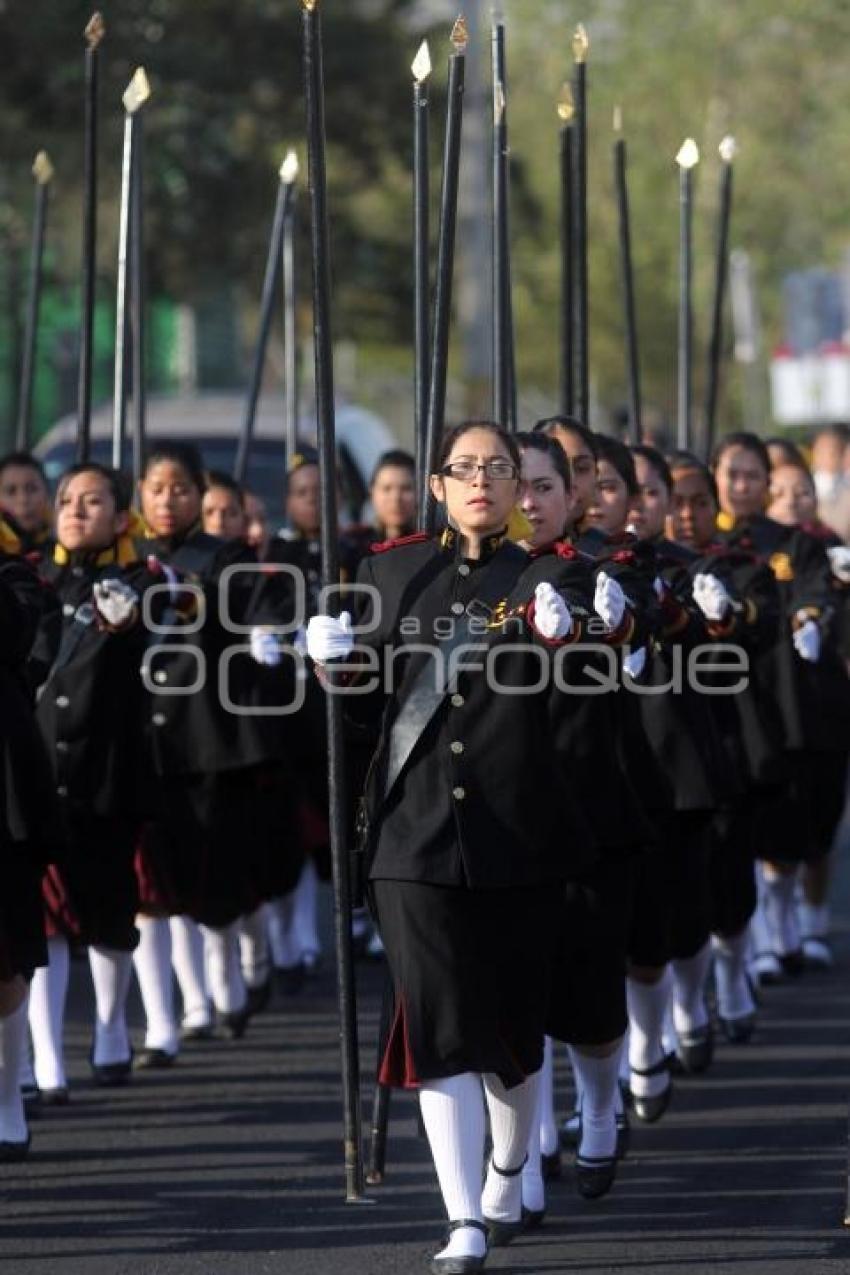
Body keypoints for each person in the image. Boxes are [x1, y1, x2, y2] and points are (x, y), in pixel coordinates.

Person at [308, 421, 596, 1274]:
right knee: (437, 1017)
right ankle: (462, 1213)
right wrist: (336, 674)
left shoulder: (555, 575)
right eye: (464, 468)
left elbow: (584, 689)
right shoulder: (392, 570)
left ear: (520, 490)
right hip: (413, 833)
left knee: (512, 1030)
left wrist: (577, 636)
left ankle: (510, 1164)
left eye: (499, 469)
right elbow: (370, 719)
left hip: (520, 834)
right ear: (438, 485)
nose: (481, 481)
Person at [27, 464, 163, 1098]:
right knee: (45, 919)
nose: (76, 511)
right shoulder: (32, 581)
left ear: (120, 516)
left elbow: (170, 637)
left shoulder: (143, 581)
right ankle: (47, 1057)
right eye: (66, 500)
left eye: (93, 501)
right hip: (41, 770)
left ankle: (111, 1027)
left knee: (108, 908)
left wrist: (132, 623)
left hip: (108, 770)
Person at [711, 433, 850, 983]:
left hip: (802, 704)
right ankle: (769, 934)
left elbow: (815, 592)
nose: (742, 485)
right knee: (755, 829)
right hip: (738, 703)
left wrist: (812, 616)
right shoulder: (701, 544)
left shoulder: (799, 544)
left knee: (811, 822)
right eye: (734, 474)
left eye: (753, 475)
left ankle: (800, 923)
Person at [0, 540, 63, 1159]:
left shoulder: (16, 579)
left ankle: (7, 1095)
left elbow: (24, 647)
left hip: (5, 790)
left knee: (7, 955)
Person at [0, 452, 53, 552]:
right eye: (11, 491)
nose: (23, 499)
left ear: (47, 494)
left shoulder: (64, 554)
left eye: (32, 489)